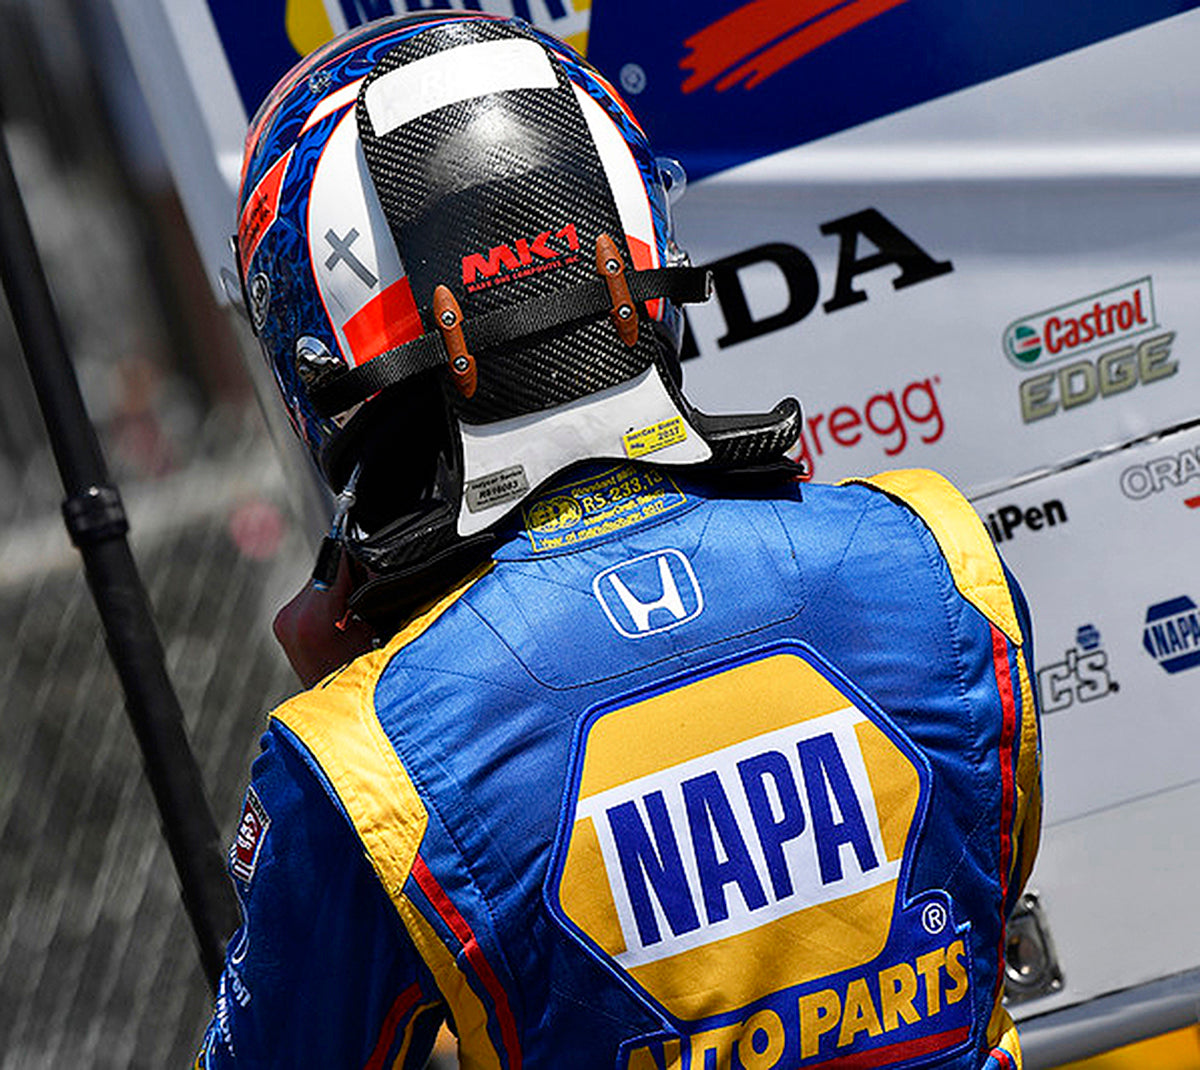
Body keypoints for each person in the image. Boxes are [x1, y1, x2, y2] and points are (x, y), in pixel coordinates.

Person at [198, 13, 1041, 1069]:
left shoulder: (361, 762)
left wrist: (355, 726)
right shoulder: (938, 561)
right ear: (635, 250)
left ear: (330, 340)